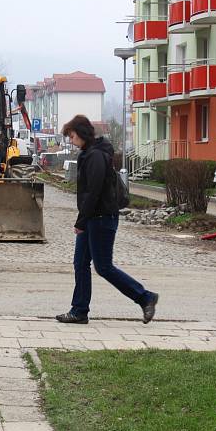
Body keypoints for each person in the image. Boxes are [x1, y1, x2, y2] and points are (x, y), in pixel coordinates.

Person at [56, 115, 159, 325]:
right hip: (93, 217)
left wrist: (81, 221)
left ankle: (145, 297)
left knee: (103, 267)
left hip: (101, 218)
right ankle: (79, 310)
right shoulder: (91, 153)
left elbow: (93, 192)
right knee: (81, 264)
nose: (71, 140)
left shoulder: (95, 156)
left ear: (82, 134)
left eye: (72, 136)